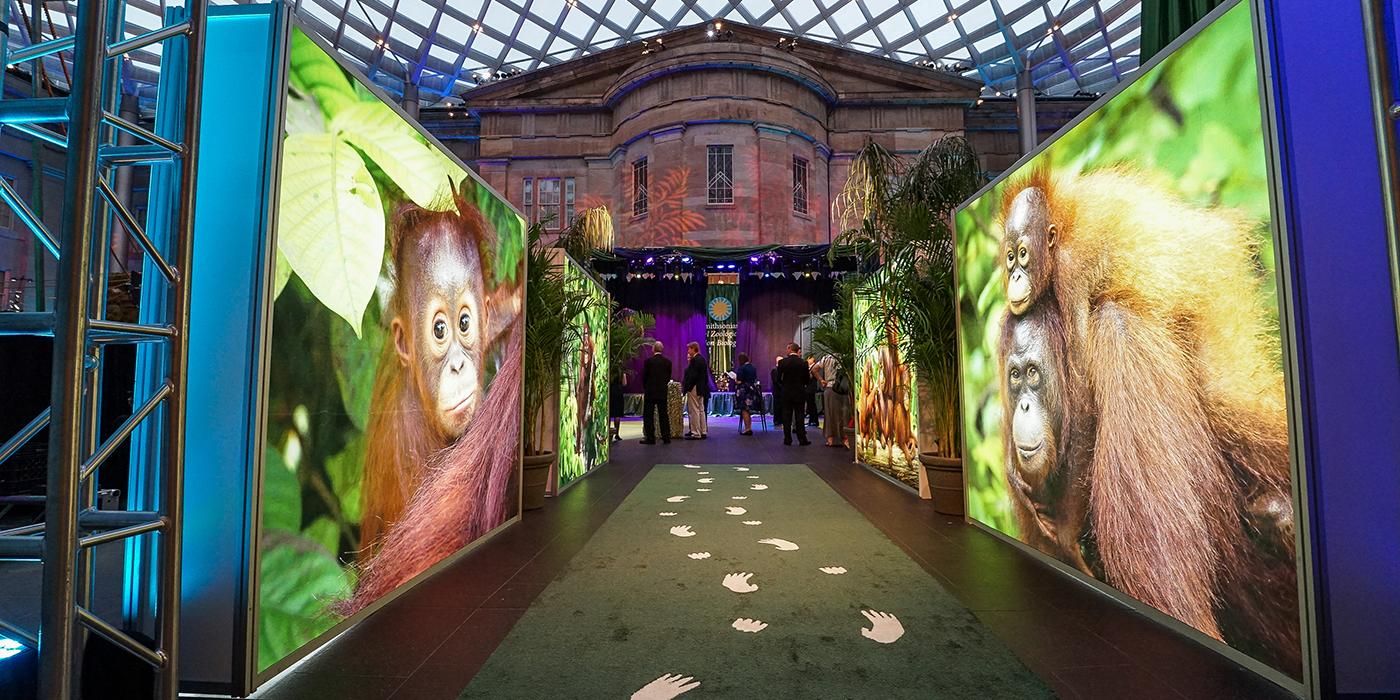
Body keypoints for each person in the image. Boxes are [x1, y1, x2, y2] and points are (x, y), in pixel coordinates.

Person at [777, 343, 812, 446]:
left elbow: (778, 379)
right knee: (799, 417)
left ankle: (787, 439)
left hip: (786, 393)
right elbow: (806, 380)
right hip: (799, 393)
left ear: (789, 349)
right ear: (797, 351)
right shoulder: (803, 363)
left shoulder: (782, 362)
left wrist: (784, 387)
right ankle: (802, 439)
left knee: (786, 417)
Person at [640, 342, 673, 444]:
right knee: (663, 414)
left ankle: (650, 437)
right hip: (662, 391)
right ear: (662, 349)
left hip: (650, 392)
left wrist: (646, 387)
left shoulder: (648, 362)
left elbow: (644, 377)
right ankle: (666, 437)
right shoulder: (668, 362)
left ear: (653, 349)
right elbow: (668, 377)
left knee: (648, 415)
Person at [815, 353, 848, 447]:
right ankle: (845, 438)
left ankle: (830, 439)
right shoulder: (845, 356)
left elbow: (814, 369)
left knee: (830, 414)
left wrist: (821, 380)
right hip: (844, 388)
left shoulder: (826, 358)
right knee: (844, 414)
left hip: (830, 388)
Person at [681, 341, 710, 440]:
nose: (688, 351)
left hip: (694, 388)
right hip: (702, 388)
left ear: (694, 349)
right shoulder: (702, 359)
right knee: (701, 410)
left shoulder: (695, 360)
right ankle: (703, 431)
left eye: (689, 349)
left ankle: (696, 433)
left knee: (694, 410)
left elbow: (692, 376)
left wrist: (687, 387)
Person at [733, 353, 760, 435]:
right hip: (752, 390)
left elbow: (739, 380)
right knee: (748, 409)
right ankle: (749, 427)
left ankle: (747, 429)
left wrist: (735, 380)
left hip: (744, 391)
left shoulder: (742, 368)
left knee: (744, 409)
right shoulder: (753, 367)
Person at [608, 368, 627, 442]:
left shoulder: (609, 369)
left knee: (609, 413)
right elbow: (624, 383)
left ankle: (607, 432)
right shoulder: (621, 371)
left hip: (610, 391)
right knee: (617, 414)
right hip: (618, 392)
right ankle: (616, 434)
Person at [804, 355, 822, 426]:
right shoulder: (809, 367)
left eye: (809, 359)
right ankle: (811, 420)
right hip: (808, 388)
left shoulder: (814, 367)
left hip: (811, 388)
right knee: (810, 405)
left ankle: (814, 421)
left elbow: (811, 377)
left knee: (812, 405)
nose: (807, 360)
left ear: (812, 359)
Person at [770, 356, 785, 427]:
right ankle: (777, 420)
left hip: (781, 391)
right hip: (777, 391)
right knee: (777, 406)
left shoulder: (781, 370)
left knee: (781, 406)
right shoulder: (775, 370)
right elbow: (776, 381)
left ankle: (781, 420)